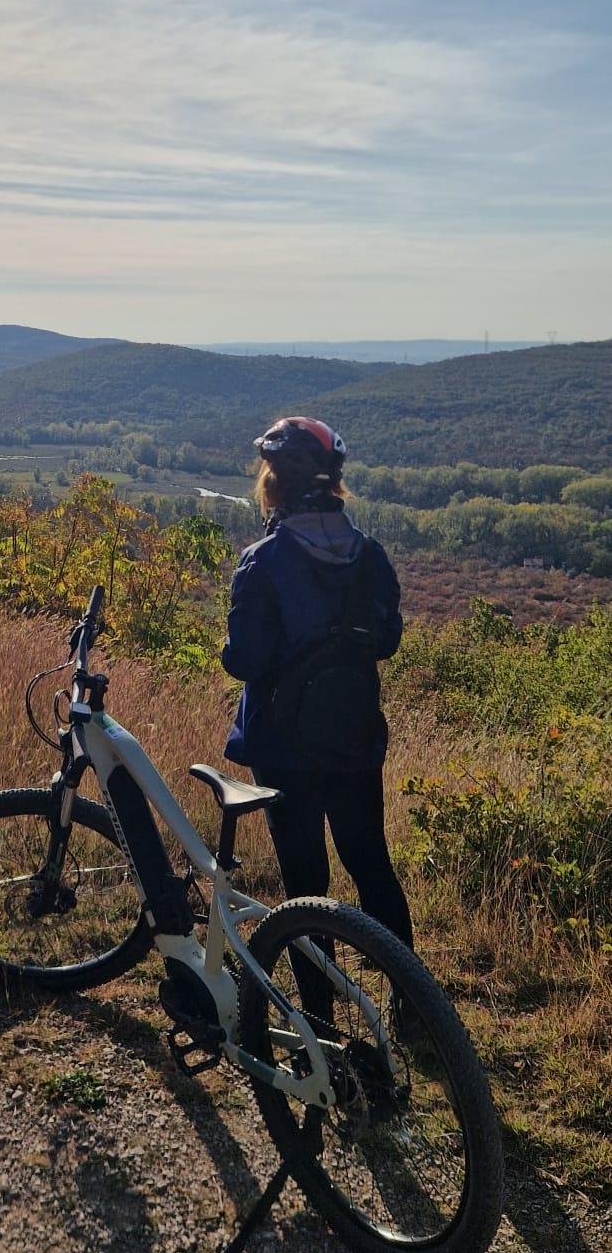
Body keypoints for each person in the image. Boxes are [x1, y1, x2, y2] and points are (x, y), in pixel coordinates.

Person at [221, 416, 413, 1008]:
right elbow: (386, 641)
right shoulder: (369, 556)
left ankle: (322, 1021)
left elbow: (245, 660)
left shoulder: (262, 561)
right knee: (371, 865)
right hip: (354, 738)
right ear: (334, 484)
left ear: (274, 482)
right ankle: (413, 1005)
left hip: (284, 750)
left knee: (304, 884)